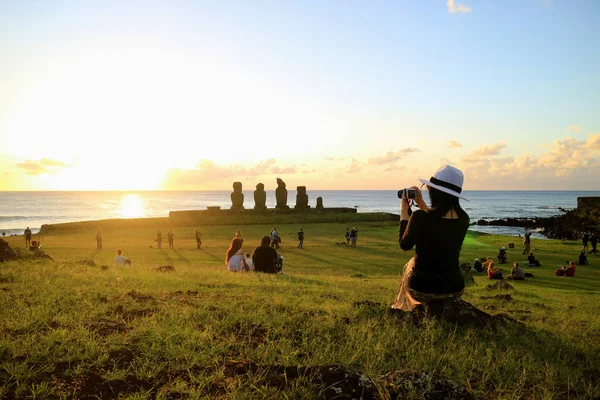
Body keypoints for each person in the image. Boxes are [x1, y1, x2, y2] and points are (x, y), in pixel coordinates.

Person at [392, 165, 470, 311]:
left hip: (421, 289)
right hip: (455, 288)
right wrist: (421, 204)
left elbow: (405, 245)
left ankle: (401, 307)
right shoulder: (464, 219)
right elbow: (437, 224)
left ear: (435, 192)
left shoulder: (419, 217)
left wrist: (404, 212)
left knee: (411, 263)